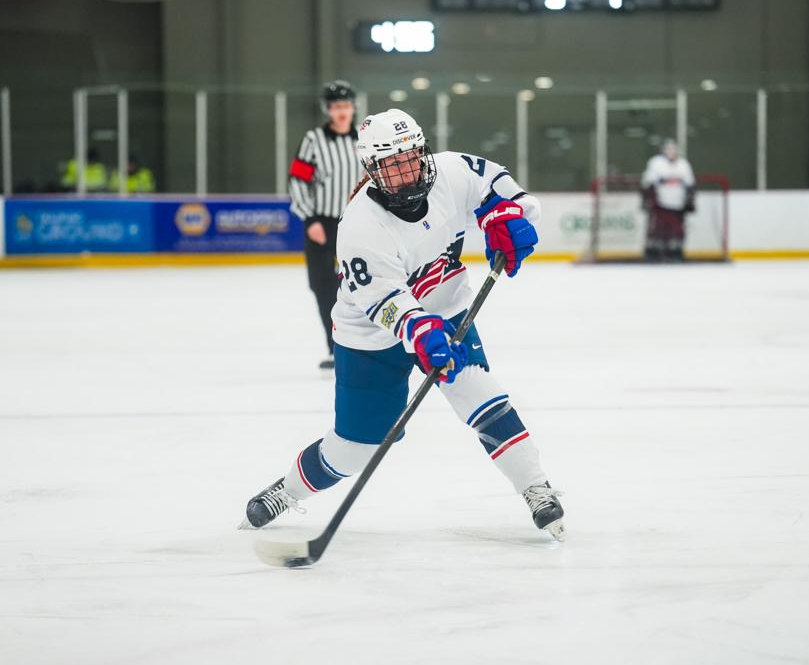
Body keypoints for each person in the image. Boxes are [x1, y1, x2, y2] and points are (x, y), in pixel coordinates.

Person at [239, 108, 566, 541]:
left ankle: (536, 488)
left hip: (445, 309)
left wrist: (507, 217)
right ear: (372, 170)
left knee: (482, 396)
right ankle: (288, 489)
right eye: (392, 164)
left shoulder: (452, 171)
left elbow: (504, 190)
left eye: (411, 157)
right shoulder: (361, 226)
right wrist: (420, 331)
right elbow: (384, 301)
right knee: (356, 448)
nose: (406, 171)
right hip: (370, 335)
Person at [288, 80, 366, 370]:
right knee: (321, 284)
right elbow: (298, 180)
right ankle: (335, 347)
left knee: (361, 283)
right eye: (336, 106)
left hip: (356, 223)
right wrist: (310, 218)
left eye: (345, 105)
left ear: (353, 107)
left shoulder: (364, 140)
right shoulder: (313, 140)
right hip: (321, 223)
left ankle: (363, 345)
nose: (341, 111)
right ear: (327, 110)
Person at [640, 139, 696, 262]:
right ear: (663, 151)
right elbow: (648, 183)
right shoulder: (656, 163)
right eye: (668, 149)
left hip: (678, 205)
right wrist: (647, 200)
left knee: (678, 230)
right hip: (660, 205)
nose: (671, 152)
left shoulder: (683, 164)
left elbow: (690, 184)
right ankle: (653, 253)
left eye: (673, 149)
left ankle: (676, 252)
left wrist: (690, 200)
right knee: (657, 230)